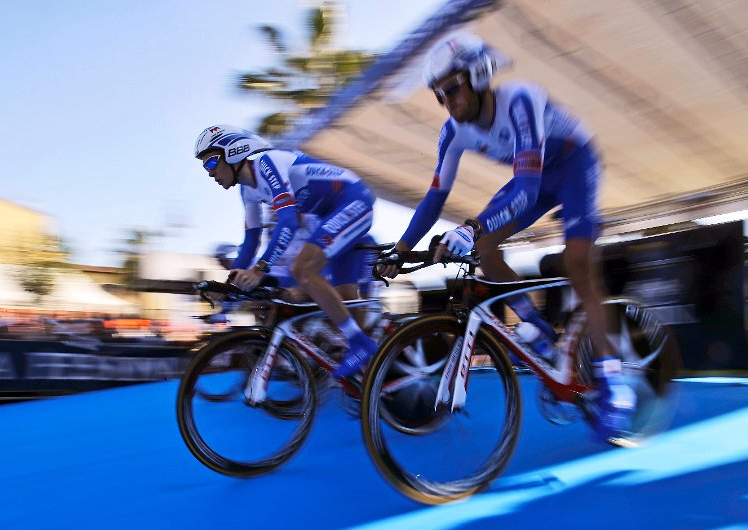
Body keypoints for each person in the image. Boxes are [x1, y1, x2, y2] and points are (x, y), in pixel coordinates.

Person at [376, 32, 635, 439]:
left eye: (453, 90)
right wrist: (401, 250)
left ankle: (614, 380)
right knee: (484, 247)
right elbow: (433, 198)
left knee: (578, 264)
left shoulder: (519, 99)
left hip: (573, 164)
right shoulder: (452, 132)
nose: (448, 103)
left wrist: (471, 225)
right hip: (533, 177)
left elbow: (527, 189)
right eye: (440, 96)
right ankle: (535, 328)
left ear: (479, 76)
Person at [195, 124, 378, 378]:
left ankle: (362, 344)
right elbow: (250, 241)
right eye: (204, 167)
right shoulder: (247, 190)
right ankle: (372, 376)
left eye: (212, 163)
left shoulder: (267, 163)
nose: (209, 172)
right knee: (346, 296)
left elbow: (289, 221)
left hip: (353, 199)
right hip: (332, 213)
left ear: (234, 152)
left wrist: (260, 270)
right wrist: (229, 286)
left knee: (303, 269)